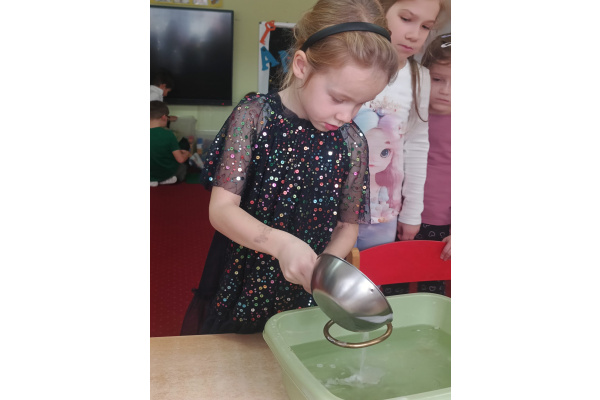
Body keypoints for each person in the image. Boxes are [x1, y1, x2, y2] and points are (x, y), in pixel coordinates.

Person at [180, 0, 399, 335]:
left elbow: (347, 226)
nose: (347, 115)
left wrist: (321, 269)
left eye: (360, 104)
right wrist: (281, 244)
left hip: (302, 287)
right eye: (339, 98)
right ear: (301, 66)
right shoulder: (254, 117)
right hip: (246, 275)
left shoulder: (352, 141)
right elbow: (222, 210)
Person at [354, 0, 450, 252]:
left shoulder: (419, 78)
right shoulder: (350, 64)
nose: (414, 34)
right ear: (379, 12)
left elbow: (417, 147)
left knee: (374, 274)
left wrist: (412, 213)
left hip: (382, 212)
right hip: (330, 209)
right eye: (406, 19)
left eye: (426, 26)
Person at [415, 32, 451, 272]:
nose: (446, 90)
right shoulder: (410, 112)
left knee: (431, 287)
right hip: (398, 218)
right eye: (437, 79)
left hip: (443, 226)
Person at [150, 101, 191, 186]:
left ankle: (152, 180)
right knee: (183, 167)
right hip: (166, 172)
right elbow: (180, 159)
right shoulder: (168, 134)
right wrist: (186, 154)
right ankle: (166, 179)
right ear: (164, 117)